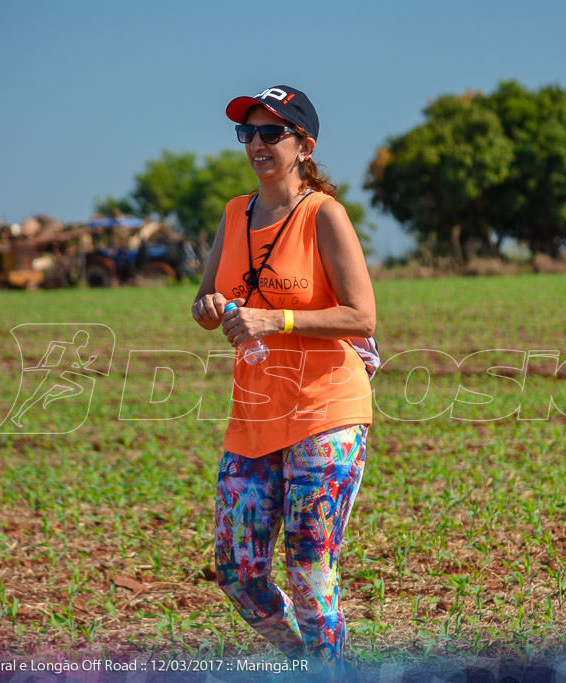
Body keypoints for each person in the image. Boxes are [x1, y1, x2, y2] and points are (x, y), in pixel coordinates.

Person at [190, 85, 375, 668]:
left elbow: (361, 315)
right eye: (248, 132)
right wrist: (209, 308)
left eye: (273, 132)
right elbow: (205, 298)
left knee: (309, 567)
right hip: (254, 416)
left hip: (327, 409)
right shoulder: (233, 212)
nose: (258, 143)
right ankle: (313, 663)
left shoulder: (324, 215)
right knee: (238, 573)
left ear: (304, 146)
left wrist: (278, 318)